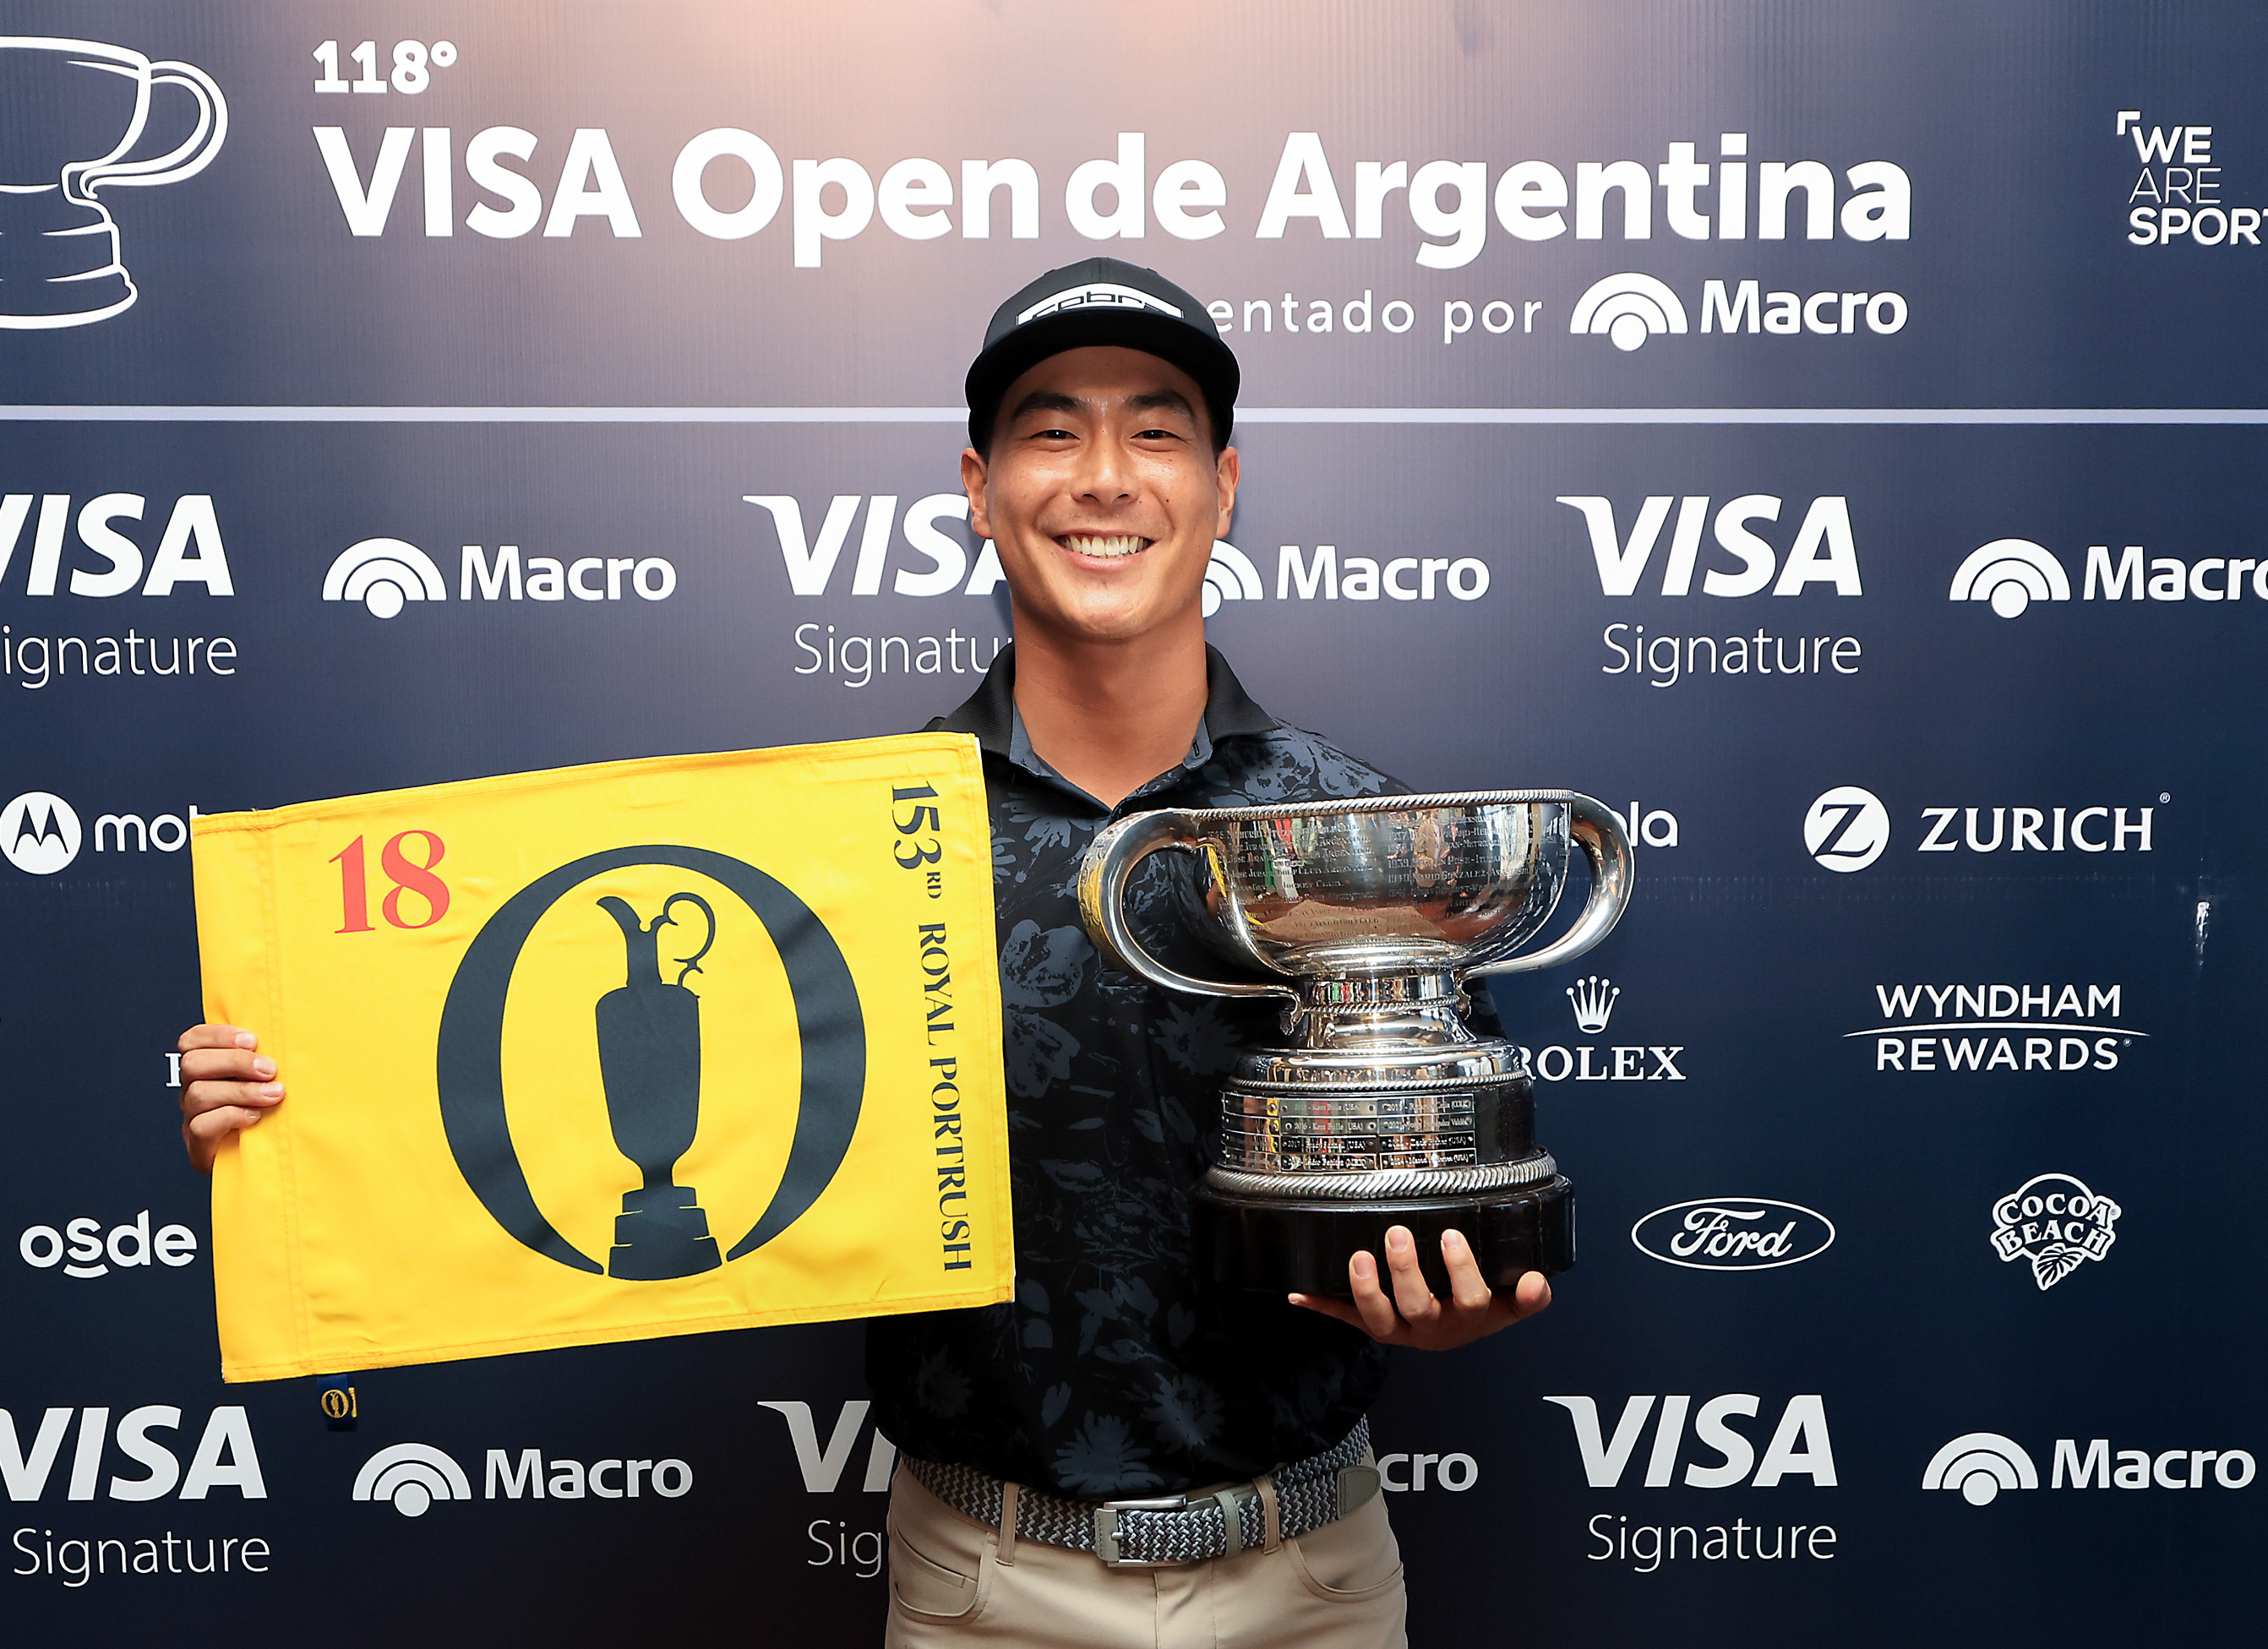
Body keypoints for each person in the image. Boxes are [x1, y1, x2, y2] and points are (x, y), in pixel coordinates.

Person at [177, 258, 1549, 1649]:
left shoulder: (1353, 834)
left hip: (1311, 1585)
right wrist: (305, 1110)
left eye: (1156, 430)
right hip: (984, 1595)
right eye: (1052, 430)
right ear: (979, 489)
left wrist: (1453, 1292)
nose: (1104, 476)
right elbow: (616, 1090)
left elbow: (1452, 1186)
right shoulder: (849, 850)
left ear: (1224, 486)